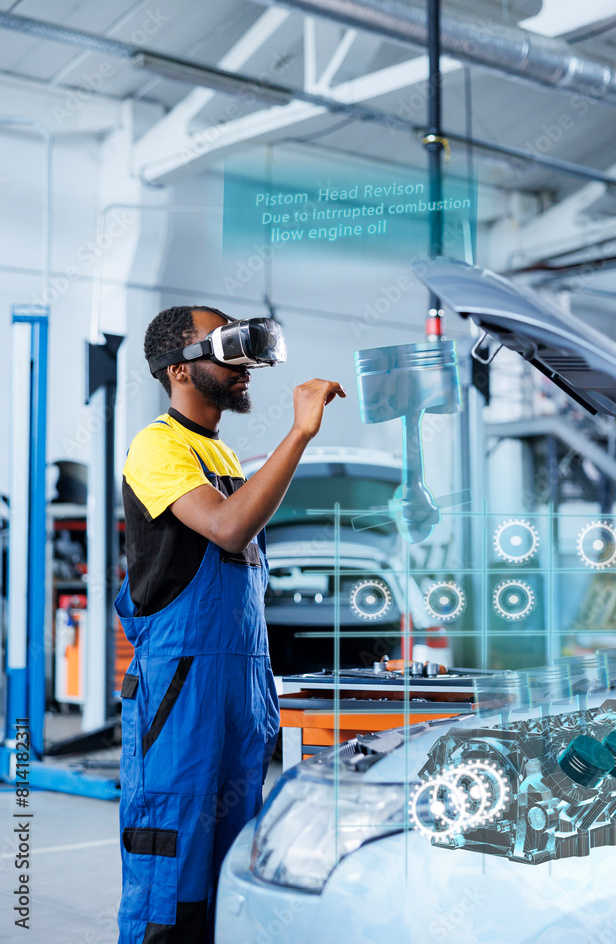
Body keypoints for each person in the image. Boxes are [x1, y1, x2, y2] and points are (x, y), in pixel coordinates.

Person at [114, 305, 345, 944]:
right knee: (173, 857)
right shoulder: (156, 445)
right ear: (181, 369)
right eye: (227, 350)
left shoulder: (216, 452)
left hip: (240, 685)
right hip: (183, 686)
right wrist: (299, 434)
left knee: (231, 856)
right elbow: (227, 526)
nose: (244, 366)